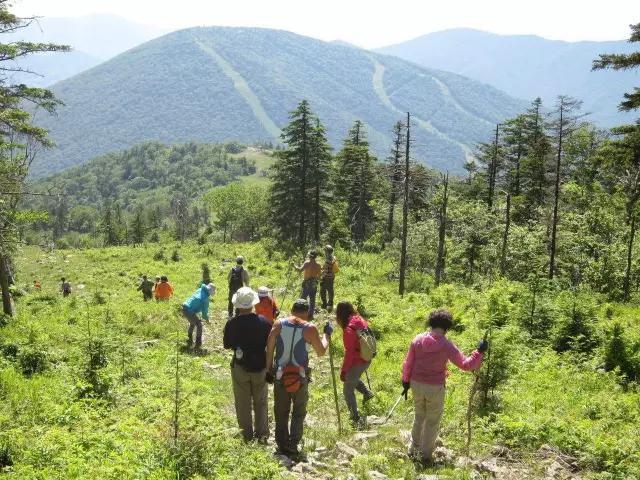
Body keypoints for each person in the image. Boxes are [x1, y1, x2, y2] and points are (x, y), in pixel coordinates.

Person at [401, 308, 488, 464]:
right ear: (447, 327)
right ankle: (425, 455)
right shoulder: (447, 345)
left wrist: (405, 381)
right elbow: (466, 365)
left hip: (416, 384)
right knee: (432, 421)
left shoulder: (417, 340)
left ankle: (413, 450)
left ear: (431, 323)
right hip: (435, 387)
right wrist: (479, 351)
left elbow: (408, 363)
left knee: (419, 416)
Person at [266, 298, 333, 457]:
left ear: (292, 310)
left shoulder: (278, 324)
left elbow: (269, 348)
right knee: (298, 411)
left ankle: (281, 444)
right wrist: (327, 335)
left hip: (280, 375)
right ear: (307, 312)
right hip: (300, 376)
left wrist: (269, 369)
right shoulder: (309, 328)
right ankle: (293, 445)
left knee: (281, 410)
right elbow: (321, 351)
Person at [223, 287, 272, 443]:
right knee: (261, 401)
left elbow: (227, 344)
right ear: (253, 304)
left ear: (237, 305)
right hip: (260, 366)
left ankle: (246, 435)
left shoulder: (231, 323)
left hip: (240, 366)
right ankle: (262, 434)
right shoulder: (264, 322)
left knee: (242, 402)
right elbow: (270, 344)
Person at [335, 301, 374, 426]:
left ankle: (354, 416)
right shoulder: (359, 319)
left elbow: (350, 353)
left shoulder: (348, 329)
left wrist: (344, 371)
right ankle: (367, 394)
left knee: (347, 389)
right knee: (353, 377)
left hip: (358, 360)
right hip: (367, 357)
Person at [182, 282, 216, 350]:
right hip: (189, 311)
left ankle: (189, 338)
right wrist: (207, 321)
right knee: (199, 325)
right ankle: (198, 342)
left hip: (184, 307)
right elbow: (204, 313)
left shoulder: (200, 290)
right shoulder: (205, 299)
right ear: (210, 292)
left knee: (192, 323)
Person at [293, 251, 321, 319]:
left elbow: (299, 270)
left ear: (310, 256)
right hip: (314, 283)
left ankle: (301, 313)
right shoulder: (318, 265)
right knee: (312, 300)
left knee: (303, 299)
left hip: (307, 284)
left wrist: (293, 265)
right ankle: (310, 315)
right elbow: (319, 276)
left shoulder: (307, 263)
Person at [320, 245, 339, 312]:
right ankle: (330, 304)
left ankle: (325, 304)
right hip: (331, 277)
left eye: (325, 251)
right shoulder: (334, 258)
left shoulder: (328, 260)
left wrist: (320, 276)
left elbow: (325, 270)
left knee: (322, 291)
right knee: (330, 290)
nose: (324, 252)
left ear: (327, 252)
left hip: (326, 278)